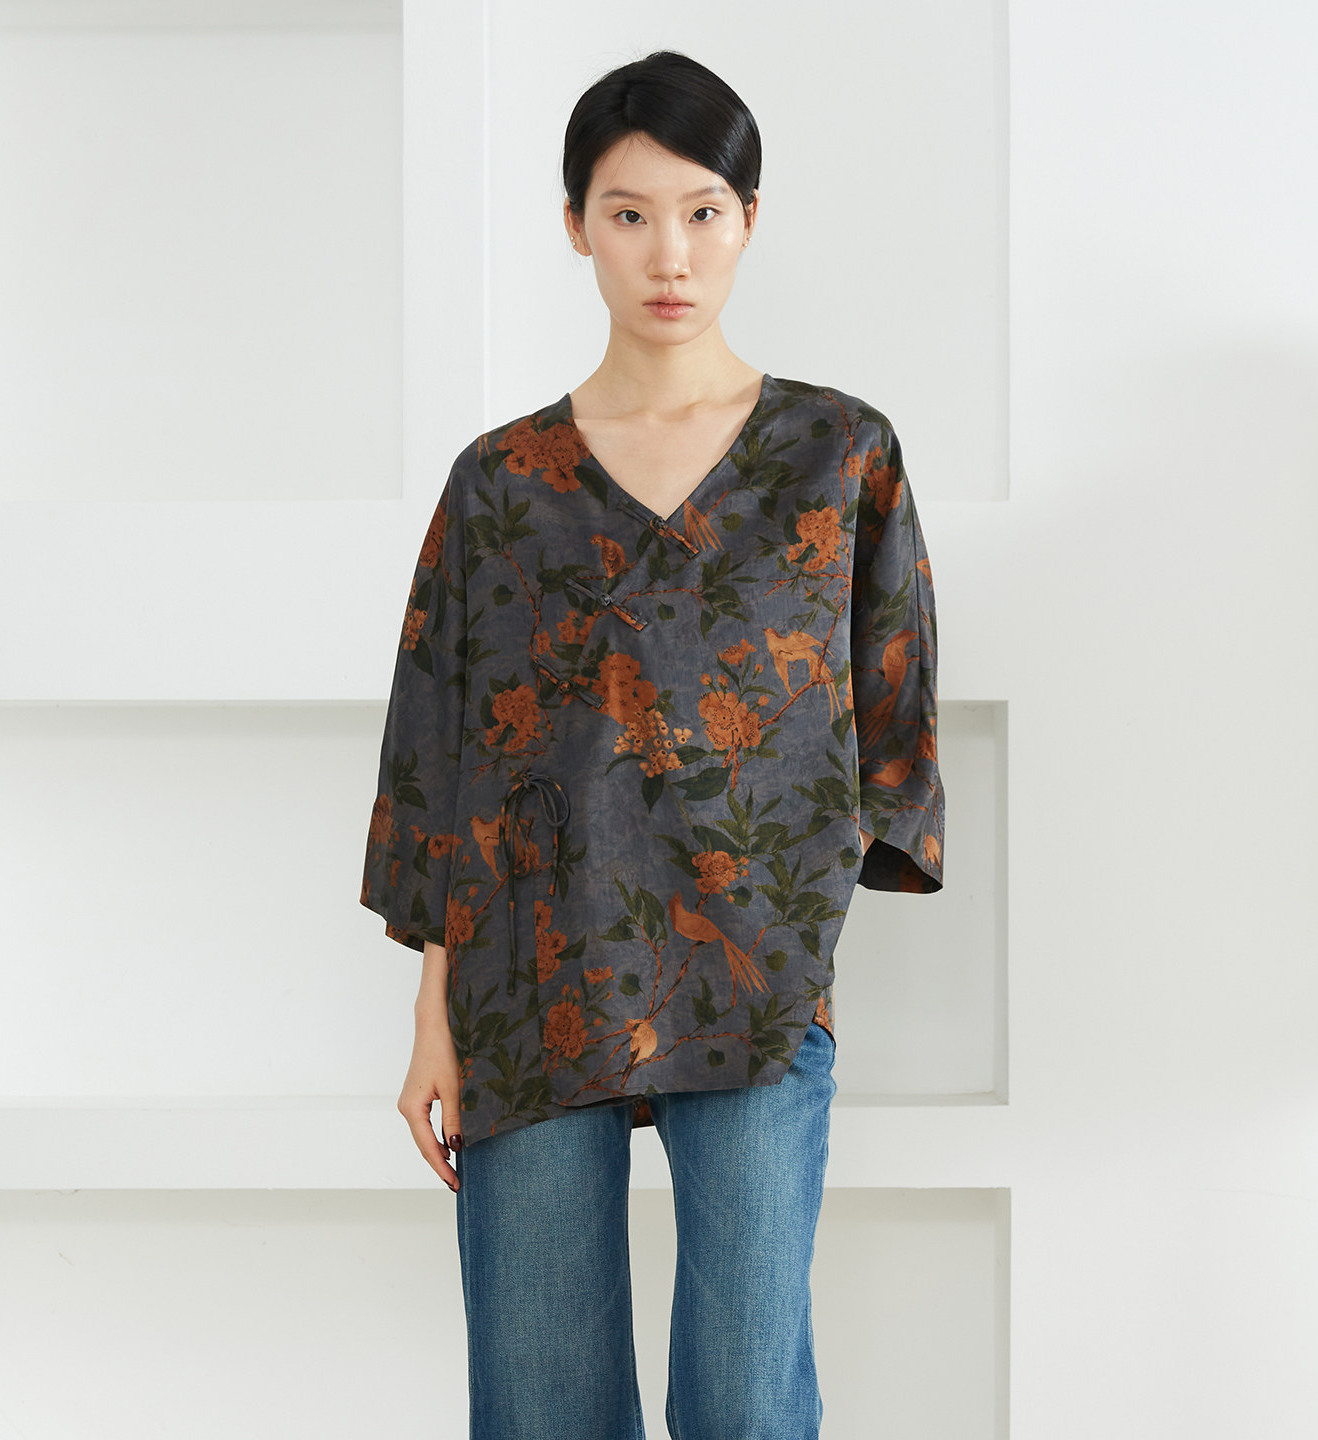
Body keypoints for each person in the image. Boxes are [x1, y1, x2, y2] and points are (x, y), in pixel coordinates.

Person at [360, 49, 944, 1440]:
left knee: (746, 1402)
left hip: (755, 982)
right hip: (528, 980)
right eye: (628, 214)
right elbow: (444, 757)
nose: (668, 254)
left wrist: (805, 934)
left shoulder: (838, 455)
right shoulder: (501, 484)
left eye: (701, 212)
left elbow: (892, 722)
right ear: (576, 225)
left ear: (749, 219)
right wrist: (434, 1014)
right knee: (541, 1401)